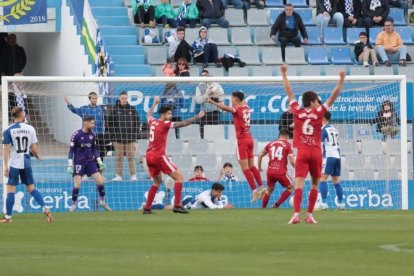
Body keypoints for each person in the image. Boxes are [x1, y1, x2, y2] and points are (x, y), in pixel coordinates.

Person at [280, 64, 345, 224]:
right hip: (315, 152)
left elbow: (289, 92)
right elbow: (333, 96)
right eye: (317, 101)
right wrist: (341, 80)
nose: (318, 103)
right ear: (312, 101)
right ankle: (309, 215)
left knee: (299, 184)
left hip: (302, 152)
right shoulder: (319, 112)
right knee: (315, 184)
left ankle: (296, 214)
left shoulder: (297, 110)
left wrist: (284, 74)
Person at [143, 97, 205, 214]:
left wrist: (154, 104)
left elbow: (148, 114)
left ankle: (147, 208)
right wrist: (197, 117)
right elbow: (182, 123)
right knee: (179, 177)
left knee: (157, 182)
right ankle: (177, 205)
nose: (171, 115)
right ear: (163, 115)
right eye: (169, 113)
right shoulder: (164, 123)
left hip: (149, 156)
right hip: (158, 156)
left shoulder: (152, 121)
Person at [206, 91, 264, 202]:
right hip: (250, 139)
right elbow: (243, 100)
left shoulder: (237, 109)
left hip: (242, 141)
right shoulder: (246, 107)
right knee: (252, 166)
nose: (230, 99)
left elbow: (226, 108)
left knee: (245, 168)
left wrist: (212, 101)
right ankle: (261, 187)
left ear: (236, 99)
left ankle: (254, 190)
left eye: (232, 97)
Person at [1, 107, 53, 223]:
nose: (25, 114)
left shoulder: (8, 129)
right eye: (24, 113)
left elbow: (5, 149)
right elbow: (33, 148)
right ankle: (44, 207)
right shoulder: (30, 128)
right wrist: (38, 156)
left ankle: (8, 217)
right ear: (21, 115)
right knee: (31, 188)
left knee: (10, 190)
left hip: (14, 163)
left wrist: (5, 166)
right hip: (26, 162)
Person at [67, 117, 112, 212]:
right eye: (92, 123)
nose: (93, 125)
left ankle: (102, 202)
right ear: (85, 123)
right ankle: (73, 205)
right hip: (79, 162)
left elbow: (94, 149)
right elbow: (71, 151)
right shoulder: (76, 135)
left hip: (90, 162)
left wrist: (100, 162)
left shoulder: (93, 135)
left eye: (94, 123)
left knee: (100, 181)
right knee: (77, 184)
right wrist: (70, 164)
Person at [64, 92, 109, 161]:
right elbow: (74, 110)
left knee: (100, 155)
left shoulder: (100, 109)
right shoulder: (84, 109)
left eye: (96, 98)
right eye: (93, 98)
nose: (95, 100)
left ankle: (99, 170)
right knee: (88, 154)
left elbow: (104, 122)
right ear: (89, 99)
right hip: (88, 135)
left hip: (99, 135)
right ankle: (89, 170)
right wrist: (68, 103)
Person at [258, 129, 296, 209]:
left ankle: (263, 208)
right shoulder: (287, 145)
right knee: (291, 187)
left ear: (279, 135)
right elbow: (292, 161)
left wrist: (259, 167)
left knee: (269, 190)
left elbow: (260, 155)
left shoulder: (270, 144)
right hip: (280, 171)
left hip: (270, 170)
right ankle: (276, 205)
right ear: (287, 136)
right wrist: (298, 168)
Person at [107, 92, 141, 181]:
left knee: (131, 157)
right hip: (118, 139)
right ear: (119, 98)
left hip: (130, 138)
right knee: (119, 157)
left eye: (126, 98)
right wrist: (114, 134)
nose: (125, 100)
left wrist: (134, 133)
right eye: (123, 98)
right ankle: (118, 175)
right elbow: (109, 123)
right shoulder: (114, 109)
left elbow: (137, 122)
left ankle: (133, 175)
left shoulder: (132, 109)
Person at [319, 112, 344, 210]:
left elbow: (320, 145)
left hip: (328, 156)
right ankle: (341, 204)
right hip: (337, 156)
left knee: (323, 178)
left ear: (323, 118)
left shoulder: (323, 129)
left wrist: (319, 158)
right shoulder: (335, 129)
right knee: (336, 181)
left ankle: (324, 203)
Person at [195, 69, 225, 138]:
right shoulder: (198, 87)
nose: (204, 77)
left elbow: (222, 97)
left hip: (215, 111)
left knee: (215, 134)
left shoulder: (216, 84)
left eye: (205, 75)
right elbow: (198, 100)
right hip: (204, 112)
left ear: (209, 75)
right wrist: (207, 94)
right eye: (202, 75)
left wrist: (215, 96)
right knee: (203, 134)